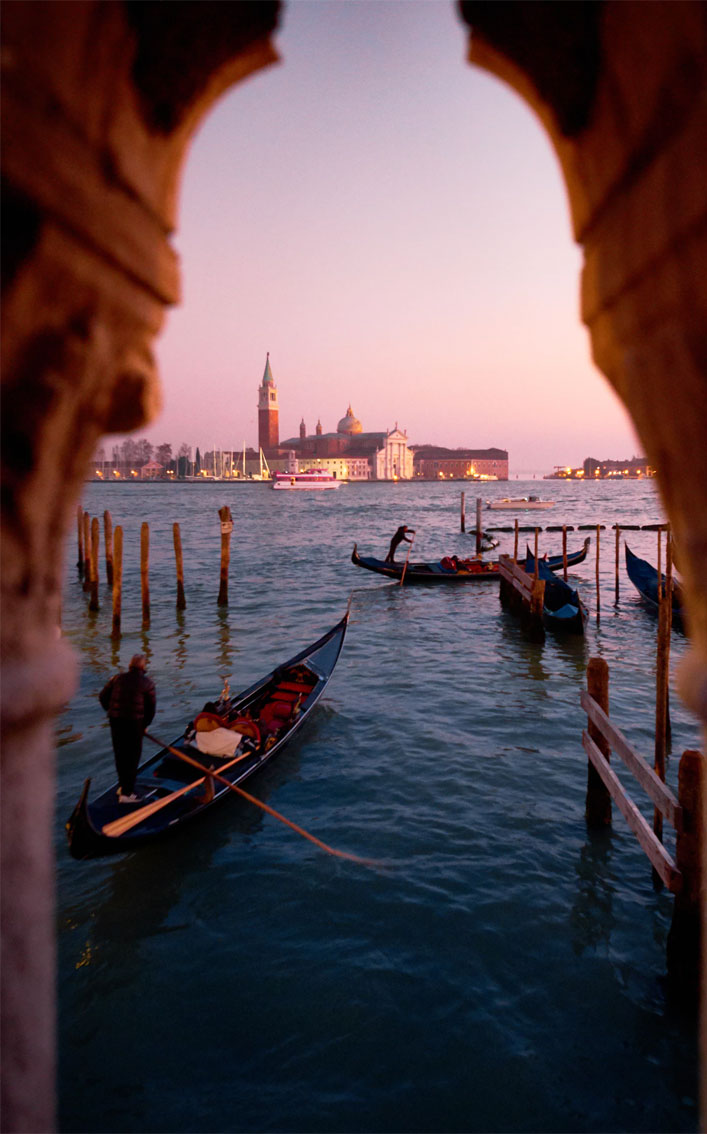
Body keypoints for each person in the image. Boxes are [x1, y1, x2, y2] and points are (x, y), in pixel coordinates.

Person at [99, 654, 156, 802]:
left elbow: (102, 696)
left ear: (130, 666)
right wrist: (144, 726)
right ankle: (127, 793)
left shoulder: (117, 678)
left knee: (120, 754)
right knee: (132, 756)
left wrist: (111, 711)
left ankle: (122, 786)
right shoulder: (147, 683)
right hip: (133, 723)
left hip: (115, 720)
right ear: (143, 667)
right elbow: (151, 709)